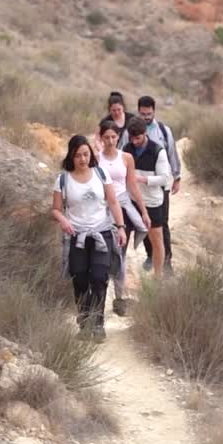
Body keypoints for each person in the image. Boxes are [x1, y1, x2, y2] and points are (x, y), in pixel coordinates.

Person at [52, 135, 128, 342]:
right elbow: (56, 210)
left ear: (91, 155)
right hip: (76, 236)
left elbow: (113, 202)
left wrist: (120, 227)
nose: (82, 159)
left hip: (101, 233)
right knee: (80, 279)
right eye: (78, 155)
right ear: (71, 156)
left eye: (86, 154)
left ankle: (98, 324)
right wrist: (63, 221)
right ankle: (84, 322)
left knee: (99, 278)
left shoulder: (101, 174)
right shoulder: (63, 179)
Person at [97, 118, 150, 314]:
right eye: (106, 137)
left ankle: (119, 299)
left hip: (123, 209)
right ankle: (99, 298)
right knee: (102, 254)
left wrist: (143, 211)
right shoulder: (96, 159)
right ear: (101, 138)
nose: (110, 141)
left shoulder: (126, 158)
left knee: (120, 254)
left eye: (113, 136)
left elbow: (133, 186)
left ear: (119, 137)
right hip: (102, 210)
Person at [136, 95, 181, 270]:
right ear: (138, 111)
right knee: (144, 222)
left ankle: (167, 261)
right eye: (142, 114)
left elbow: (172, 154)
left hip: (161, 186)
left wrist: (176, 177)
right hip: (140, 186)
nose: (145, 117)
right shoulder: (131, 131)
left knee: (162, 223)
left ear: (154, 111)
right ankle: (150, 255)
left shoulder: (164, 131)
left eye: (148, 113)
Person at [126, 118, 172, 274]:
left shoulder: (158, 151)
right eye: (131, 138)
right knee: (122, 238)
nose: (134, 141)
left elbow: (165, 178)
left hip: (152, 202)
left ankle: (158, 277)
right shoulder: (127, 148)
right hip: (131, 201)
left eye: (137, 138)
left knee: (157, 241)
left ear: (145, 133)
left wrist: (143, 179)